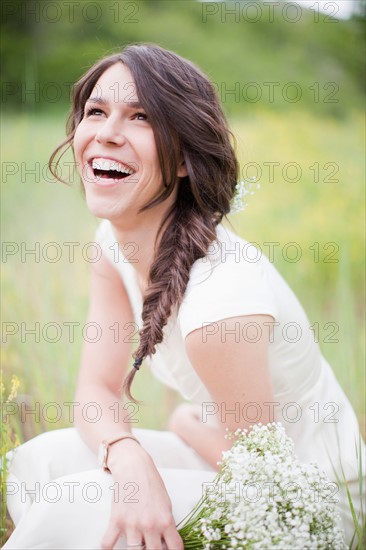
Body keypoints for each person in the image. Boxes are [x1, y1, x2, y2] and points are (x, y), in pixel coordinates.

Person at [4, 43, 365, 550]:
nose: (107, 132)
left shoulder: (220, 304)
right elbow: (96, 393)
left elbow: (270, 482)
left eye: (141, 117)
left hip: (304, 504)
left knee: (77, 500)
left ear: (182, 161)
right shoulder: (110, 247)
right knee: (37, 462)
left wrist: (178, 434)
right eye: (97, 111)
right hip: (228, 458)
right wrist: (128, 458)